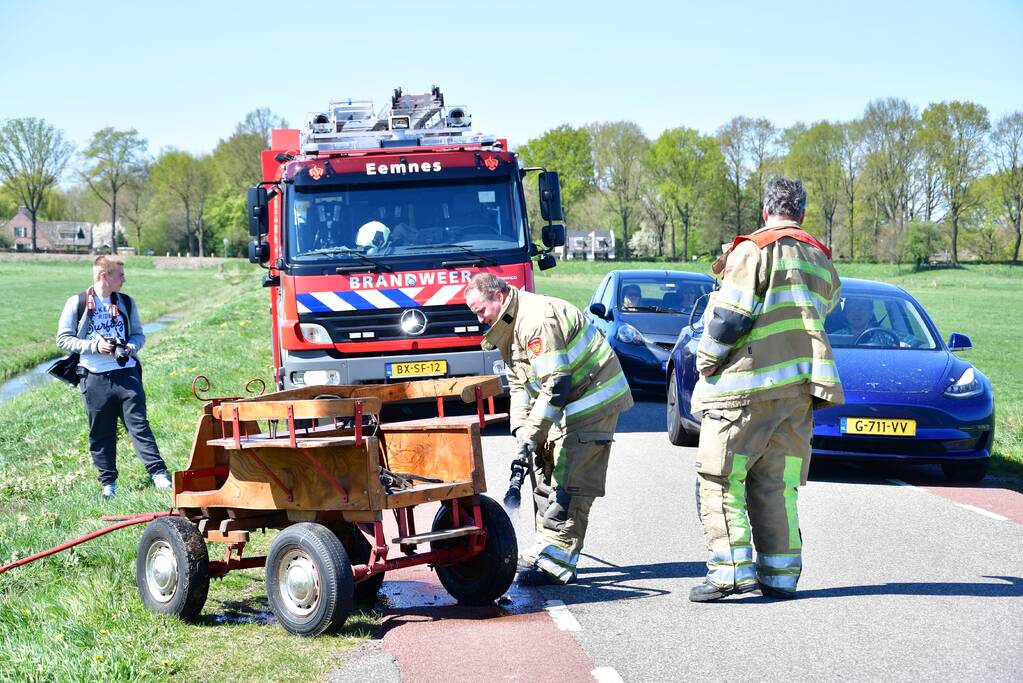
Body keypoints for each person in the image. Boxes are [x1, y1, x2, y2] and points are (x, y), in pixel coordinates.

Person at [689, 177, 844, 602]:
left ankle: (730, 573)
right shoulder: (820, 259)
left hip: (744, 389)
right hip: (797, 394)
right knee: (778, 484)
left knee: (719, 477)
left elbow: (730, 318)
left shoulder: (753, 249)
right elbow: (822, 311)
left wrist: (705, 360)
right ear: (803, 213)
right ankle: (779, 576)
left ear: (765, 211)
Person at [464, 273, 634, 585]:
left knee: (570, 481)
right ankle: (547, 546)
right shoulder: (508, 327)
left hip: (591, 401)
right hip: (563, 406)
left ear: (498, 296)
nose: (479, 320)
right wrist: (521, 430)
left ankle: (557, 562)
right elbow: (518, 384)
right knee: (542, 469)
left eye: (480, 311)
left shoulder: (535, 320)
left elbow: (557, 383)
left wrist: (535, 429)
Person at [56, 256, 171, 500]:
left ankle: (159, 475)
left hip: (126, 373)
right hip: (94, 377)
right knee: (101, 432)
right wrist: (95, 346)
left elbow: (139, 335)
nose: (124, 278)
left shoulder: (126, 302)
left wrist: (129, 348)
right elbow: (63, 339)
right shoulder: (77, 303)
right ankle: (108, 486)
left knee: (139, 425)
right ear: (104, 276)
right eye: (120, 274)